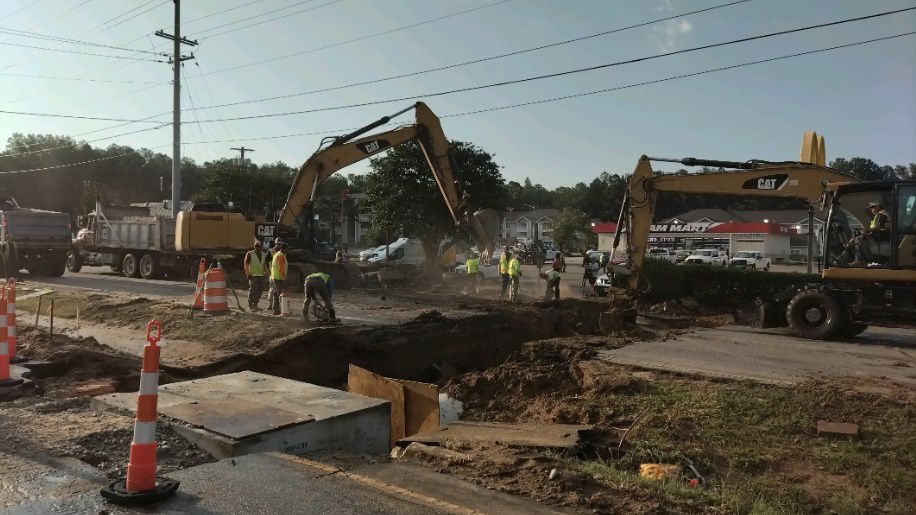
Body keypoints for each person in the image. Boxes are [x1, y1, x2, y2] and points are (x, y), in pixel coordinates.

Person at [244, 240, 267, 311]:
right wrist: (248, 273)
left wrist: (265, 272)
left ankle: (255, 304)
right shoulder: (250, 253)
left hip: (260, 275)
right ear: (254, 246)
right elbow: (246, 264)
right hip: (253, 275)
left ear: (261, 247)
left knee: (260, 289)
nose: (258, 247)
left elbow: (264, 264)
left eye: (259, 246)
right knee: (252, 290)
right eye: (256, 246)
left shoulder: (263, 254)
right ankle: (250, 305)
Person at [269, 241, 288, 315]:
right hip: (279, 278)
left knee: (276, 293)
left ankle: (276, 310)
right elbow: (281, 269)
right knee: (280, 294)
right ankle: (282, 310)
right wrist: (284, 278)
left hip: (276, 277)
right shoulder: (280, 255)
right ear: (284, 249)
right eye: (287, 249)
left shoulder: (277, 254)